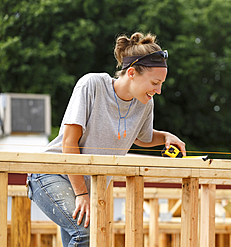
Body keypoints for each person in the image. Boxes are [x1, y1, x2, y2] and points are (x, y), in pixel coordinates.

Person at [27, 32, 186, 247]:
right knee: (85, 233)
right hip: (52, 173)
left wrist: (165, 136)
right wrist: (81, 193)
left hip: (87, 185)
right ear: (131, 72)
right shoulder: (92, 85)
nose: (158, 90)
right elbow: (69, 142)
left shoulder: (145, 104)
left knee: (84, 237)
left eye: (161, 84)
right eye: (155, 83)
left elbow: (142, 138)